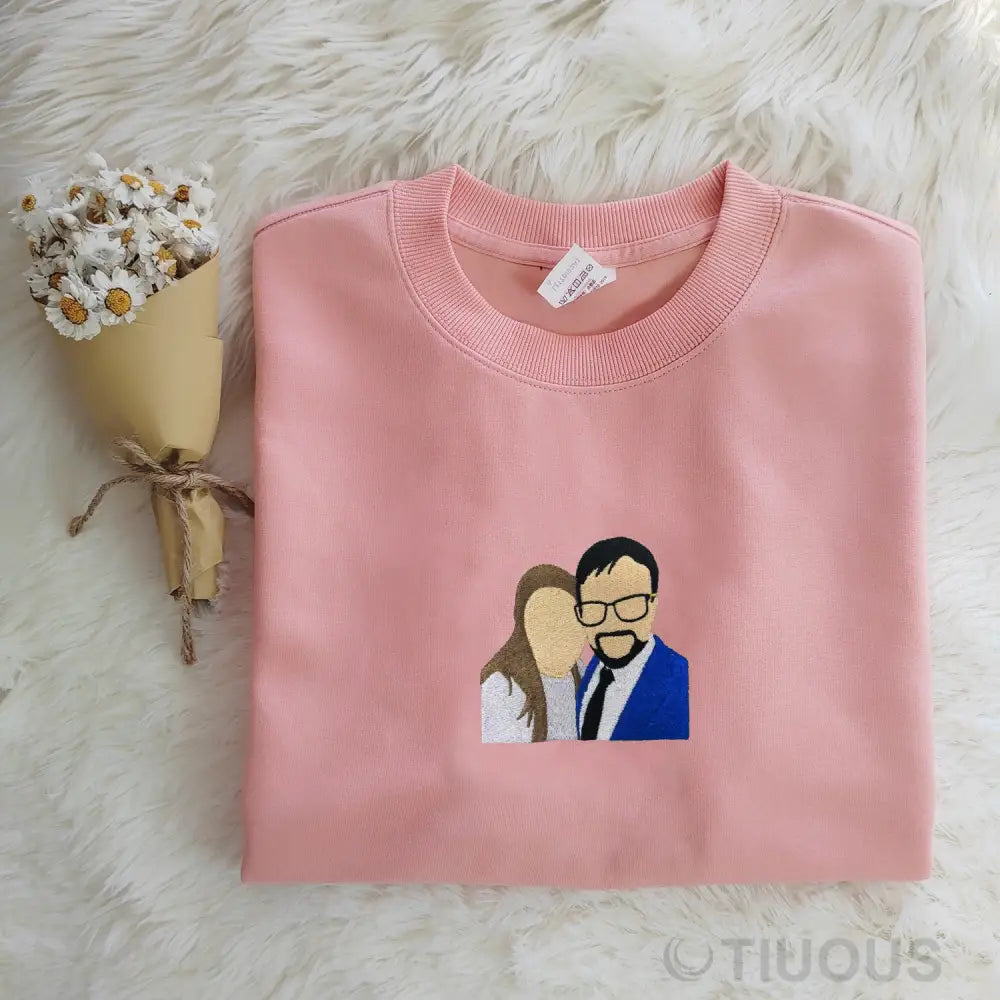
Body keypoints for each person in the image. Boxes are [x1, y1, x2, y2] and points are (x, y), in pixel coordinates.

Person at [574, 537, 689, 741]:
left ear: (652, 606)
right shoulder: (592, 671)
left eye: (629, 604)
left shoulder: (681, 682)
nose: (612, 623)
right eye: (595, 607)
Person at [481, 564, 585, 743]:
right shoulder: (502, 685)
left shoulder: (582, 672)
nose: (557, 633)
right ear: (524, 628)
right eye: (544, 620)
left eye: (569, 621)